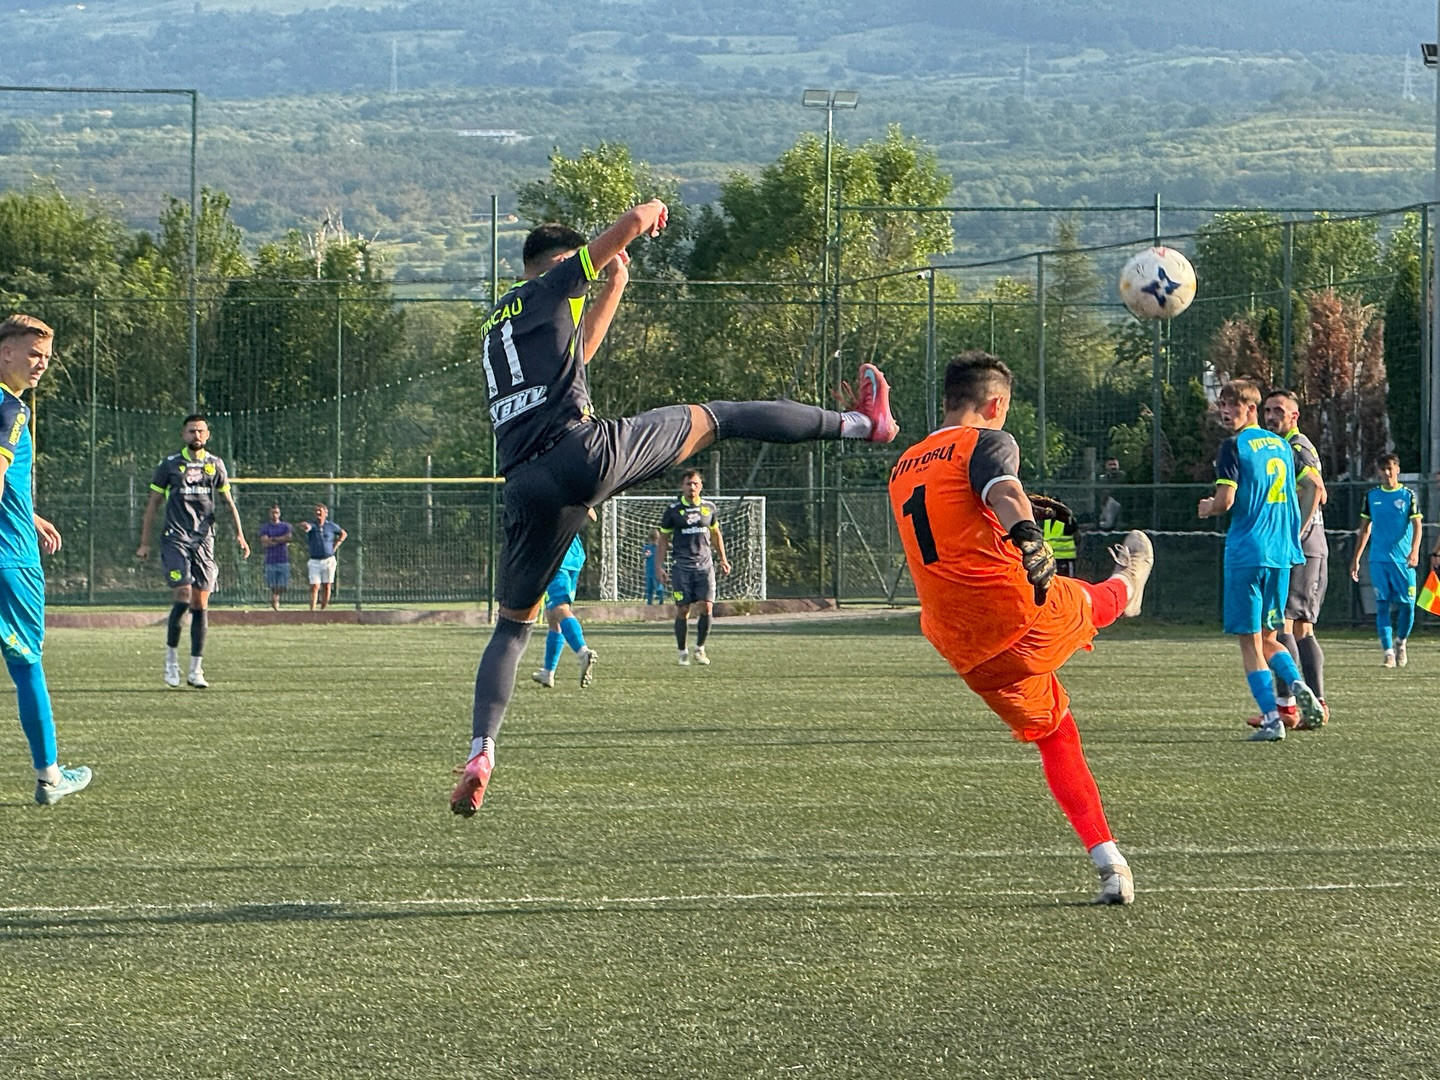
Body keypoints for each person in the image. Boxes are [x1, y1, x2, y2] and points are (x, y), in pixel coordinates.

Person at [451, 200, 897, 816]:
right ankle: (860, 424)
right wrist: (650, 213)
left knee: (511, 627)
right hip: (583, 452)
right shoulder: (557, 279)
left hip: (525, 485)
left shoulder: (500, 322)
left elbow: (578, 354)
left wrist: (616, 285)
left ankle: (481, 751)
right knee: (721, 417)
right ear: (557, 264)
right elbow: (629, 224)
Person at [888, 351, 1154, 905]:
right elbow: (1003, 491)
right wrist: (1029, 534)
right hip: (1016, 615)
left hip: (965, 651)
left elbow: (958, 515)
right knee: (1090, 596)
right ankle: (1128, 586)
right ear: (997, 403)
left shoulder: (904, 464)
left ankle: (1110, 862)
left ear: (946, 400)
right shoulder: (986, 441)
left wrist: (1013, 514)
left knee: (1057, 733)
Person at [1197, 378, 1322, 742]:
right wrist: (1293, 528)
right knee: (1269, 636)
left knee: (1250, 641)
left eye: (1233, 405)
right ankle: (1299, 686)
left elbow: (1225, 501)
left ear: (1251, 409)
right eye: (1222, 404)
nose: (1225, 411)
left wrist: (1208, 508)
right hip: (1281, 556)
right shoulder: (1283, 447)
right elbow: (1314, 486)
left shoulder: (1233, 447)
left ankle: (1271, 719)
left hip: (1248, 553)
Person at [0, 315, 91, 804]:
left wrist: (28, 513)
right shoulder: (11, 409)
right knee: (27, 665)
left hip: (15, 537)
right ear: (6, 350)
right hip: (10, 562)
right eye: (34, 354)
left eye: (47, 358)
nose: (42, 365)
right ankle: (51, 778)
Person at [136, 414, 250, 689]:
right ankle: (171, 661)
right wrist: (144, 542)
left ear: (207, 435)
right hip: (176, 537)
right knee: (184, 593)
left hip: (204, 540)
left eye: (200, 431)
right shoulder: (170, 465)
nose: (196, 435)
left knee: (201, 602)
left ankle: (196, 669)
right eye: (191, 431)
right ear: (183, 434)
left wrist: (240, 534)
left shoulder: (216, 465)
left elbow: (227, 502)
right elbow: (152, 504)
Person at [1247, 390, 1329, 729]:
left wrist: (1296, 532)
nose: (1270, 416)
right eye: (1267, 410)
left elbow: (1316, 488)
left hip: (1302, 547)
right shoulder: (1280, 447)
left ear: (1294, 416)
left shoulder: (1295, 447)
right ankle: (1313, 705)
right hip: (1308, 547)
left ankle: (1289, 707)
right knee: (1300, 627)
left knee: (1282, 625)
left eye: (1278, 410)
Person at [1350, 453, 1421, 668]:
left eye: (1391, 468)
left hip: (1403, 562)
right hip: (1379, 560)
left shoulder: (1409, 495)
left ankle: (1401, 642)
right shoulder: (1371, 496)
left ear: (1397, 469)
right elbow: (1364, 530)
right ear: (1379, 471)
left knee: (1408, 606)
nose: (1387, 473)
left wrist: (1414, 551)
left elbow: (1417, 526)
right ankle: (1388, 652)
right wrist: (1356, 559)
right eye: (1383, 469)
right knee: (1382, 605)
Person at [657, 469, 730, 665]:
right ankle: (682, 652)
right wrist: (659, 566)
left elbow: (716, 534)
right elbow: (663, 539)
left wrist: (723, 558)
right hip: (681, 567)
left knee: (707, 606)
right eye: (688, 484)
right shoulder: (672, 510)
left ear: (701, 486)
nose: (692, 487)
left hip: (705, 566)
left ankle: (700, 649)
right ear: (682, 486)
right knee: (683, 610)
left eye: (695, 484)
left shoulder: (709, 508)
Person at [531, 531, 597, 689]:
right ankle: (548, 672)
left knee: (560, 608)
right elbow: (591, 514)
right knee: (552, 613)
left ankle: (582, 652)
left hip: (555, 554)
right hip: (573, 553)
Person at [300, 503, 347, 611]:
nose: (318, 513)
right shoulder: (312, 525)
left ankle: (323, 610)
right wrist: (305, 526)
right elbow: (307, 527)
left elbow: (343, 533)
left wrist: (336, 545)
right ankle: (312, 610)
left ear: (325, 513)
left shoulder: (331, 526)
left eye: (320, 511)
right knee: (315, 586)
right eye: (316, 511)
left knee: (327, 586)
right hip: (314, 561)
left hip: (328, 560)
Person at [258, 504, 293, 611]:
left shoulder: (286, 526)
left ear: (279, 513)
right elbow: (264, 541)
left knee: (283, 585)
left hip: (283, 559)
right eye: (273, 512)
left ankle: (275, 600)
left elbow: (288, 538)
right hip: (270, 560)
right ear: (269, 514)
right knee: (272, 585)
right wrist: (279, 540)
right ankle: (275, 603)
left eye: (276, 512)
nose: (275, 514)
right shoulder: (265, 527)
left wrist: (273, 539)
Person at [1037, 496, 1077, 577]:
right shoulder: (1046, 520)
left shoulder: (1066, 520)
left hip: (1065, 558)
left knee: (1069, 581)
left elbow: (1075, 534)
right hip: (1049, 558)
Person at [642, 529, 664, 604]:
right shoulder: (647, 548)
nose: (654, 542)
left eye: (656, 539)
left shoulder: (660, 547)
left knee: (658, 587)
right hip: (649, 571)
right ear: (649, 539)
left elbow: (669, 547)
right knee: (649, 588)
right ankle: (649, 603)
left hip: (658, 571)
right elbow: (643, 557)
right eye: (653, 540)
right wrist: (645, 555)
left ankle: (661, 600)